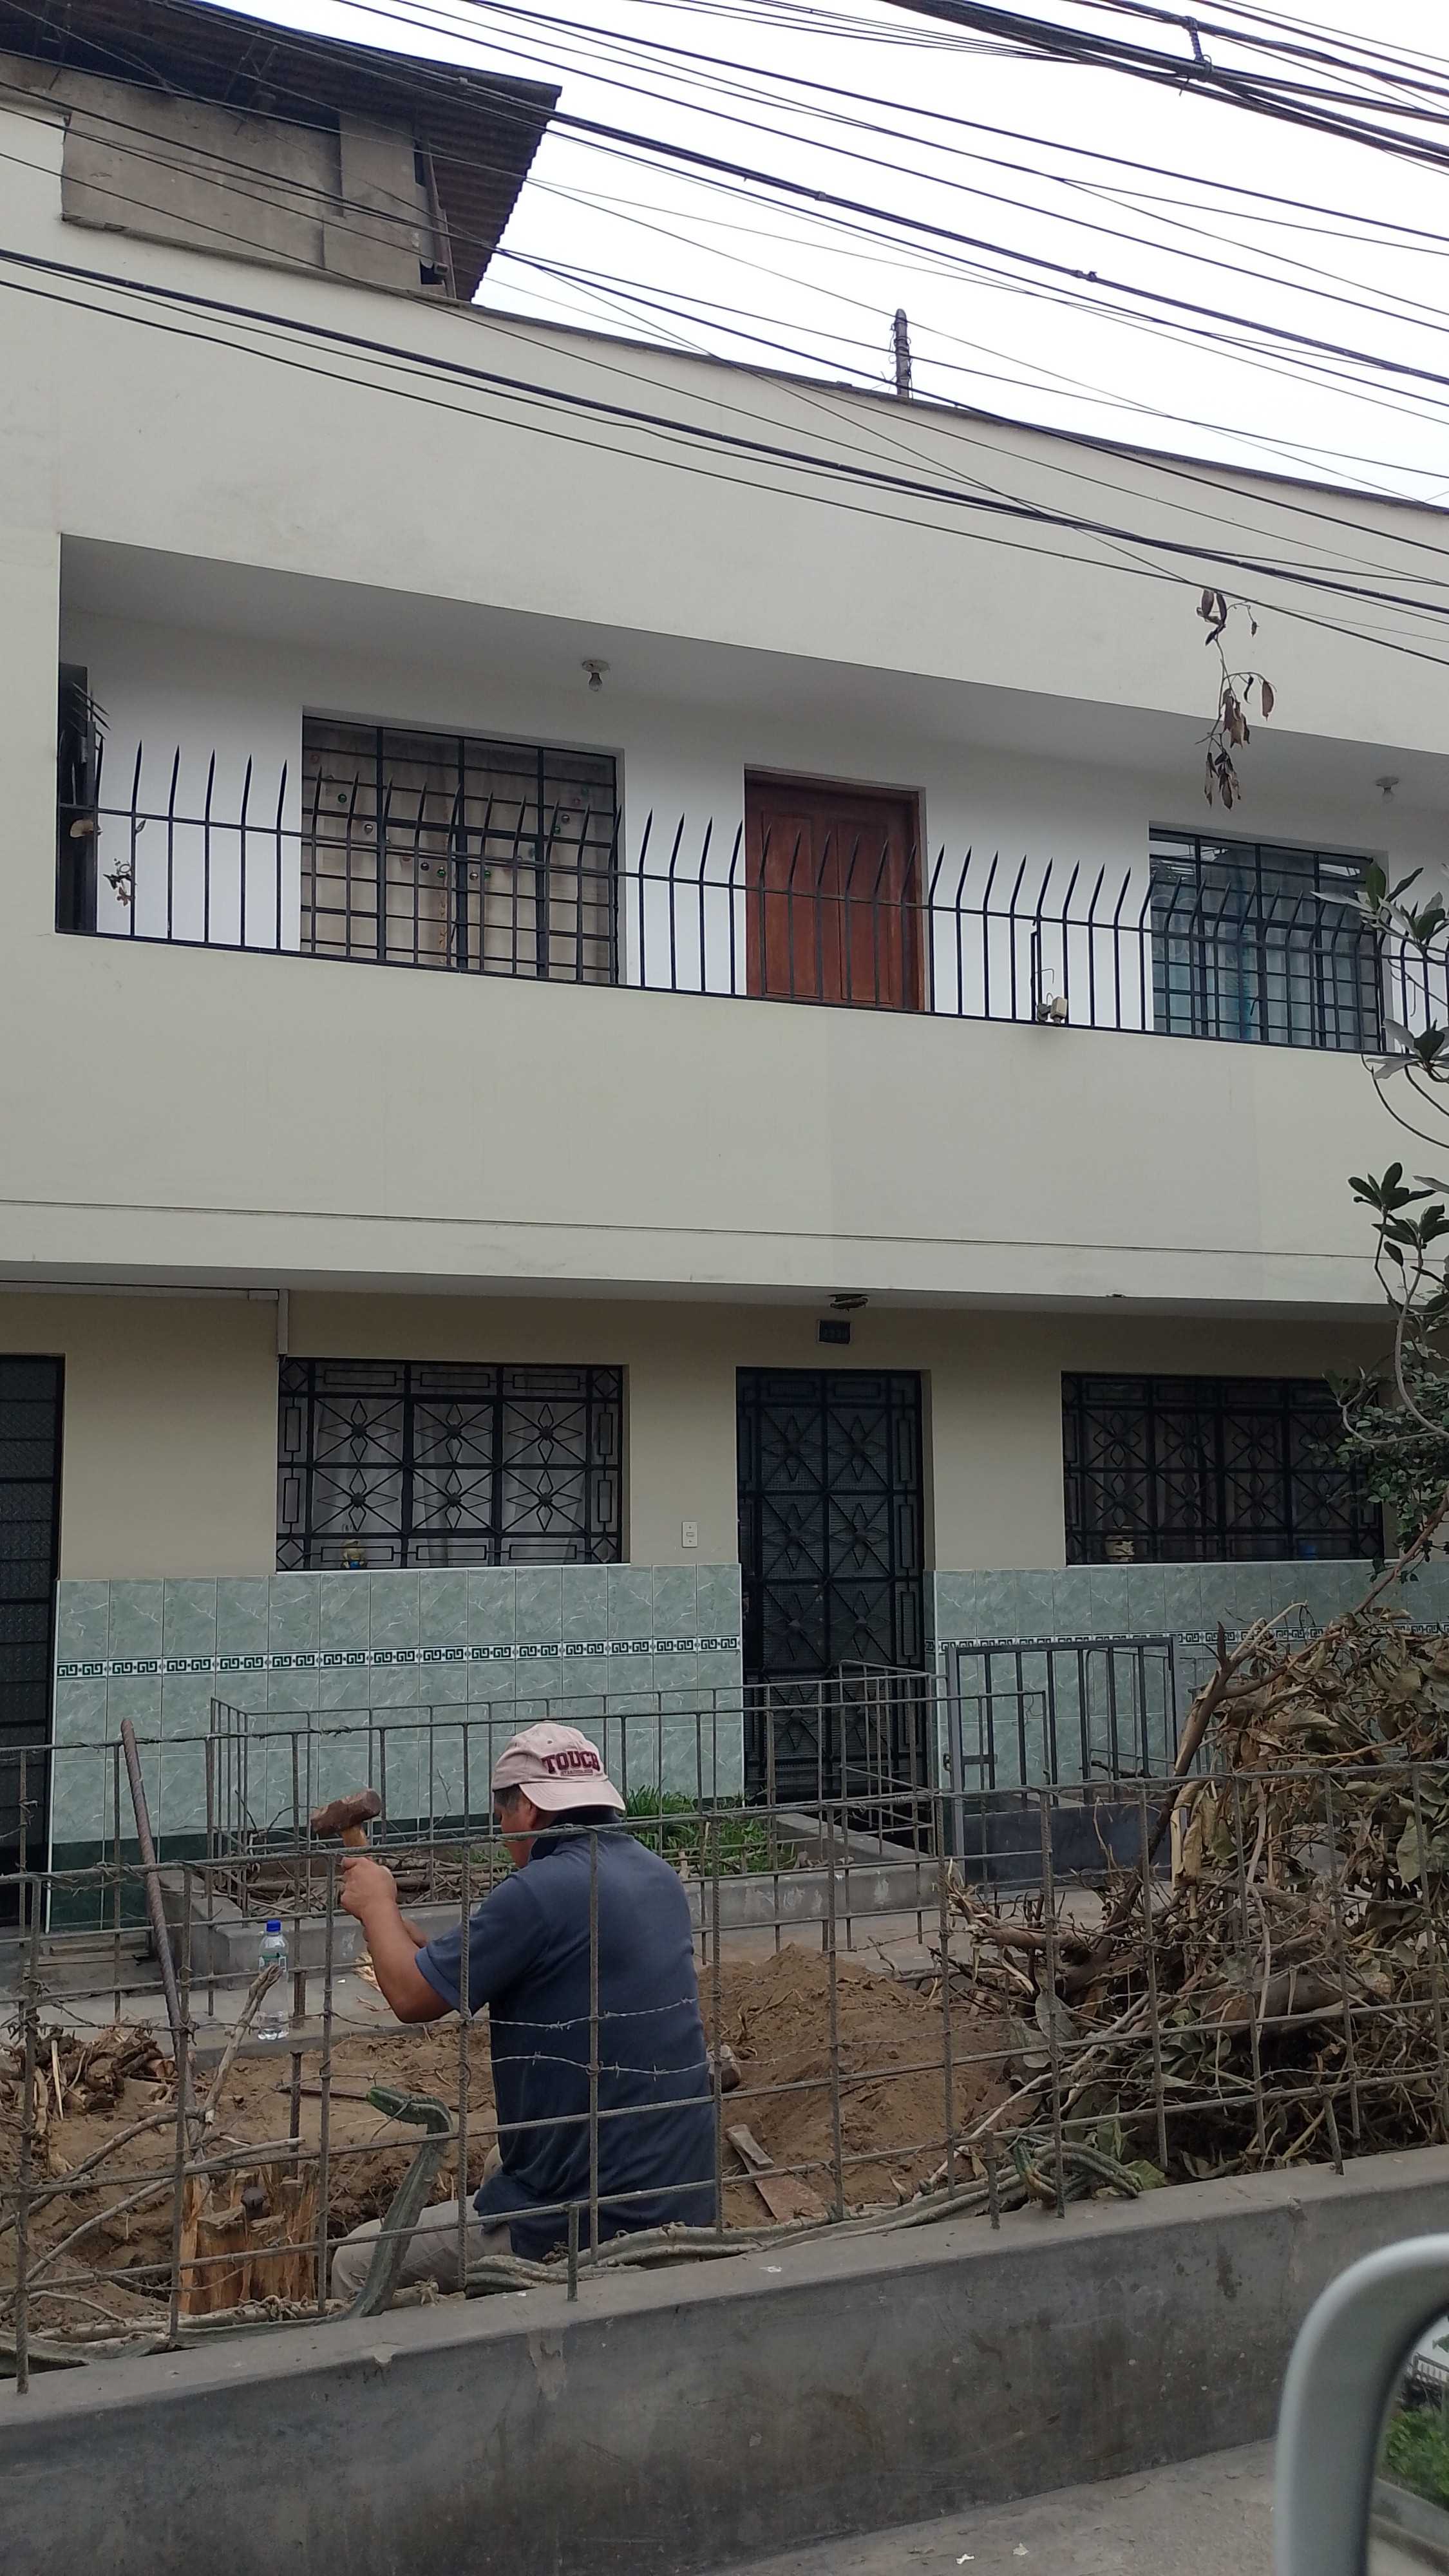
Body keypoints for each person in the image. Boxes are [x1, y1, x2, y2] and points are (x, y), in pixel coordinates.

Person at [330, 1721, 716, 2299]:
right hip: (683, 2193)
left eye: (502, 1818)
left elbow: (411, 1999)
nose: (503, 1835)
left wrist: (376, 1903)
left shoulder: (539, 1891)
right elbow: (456, 1967)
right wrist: (402, 1933)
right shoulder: (654, 1875)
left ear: (529, 1810)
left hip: (595, 2220)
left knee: (356, 2262)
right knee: (497, 2162)